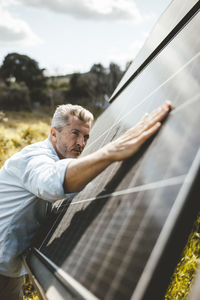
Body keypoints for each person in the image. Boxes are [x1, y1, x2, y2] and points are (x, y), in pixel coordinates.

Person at [0, 101, 171, 299]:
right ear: (53, 134)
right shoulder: (35, 158)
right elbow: (50, 182)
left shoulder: (57, 159)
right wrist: (111, 152)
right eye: (75, 133)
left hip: (8, 271)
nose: (81, 143)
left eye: (86, 136)